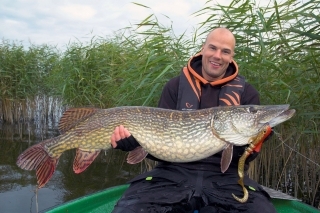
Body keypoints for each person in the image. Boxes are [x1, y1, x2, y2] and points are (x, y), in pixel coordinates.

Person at [110, 27, 277, 213]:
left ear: (231, 56)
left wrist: (256, 140)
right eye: (212, 48)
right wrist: (132, 143)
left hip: (225, 179)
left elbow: (247, 157)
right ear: (203, 49)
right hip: (171, 175)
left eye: (225, 51)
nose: (218, 55)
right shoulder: (175, 87)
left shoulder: (247, 93)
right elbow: (158, 148)